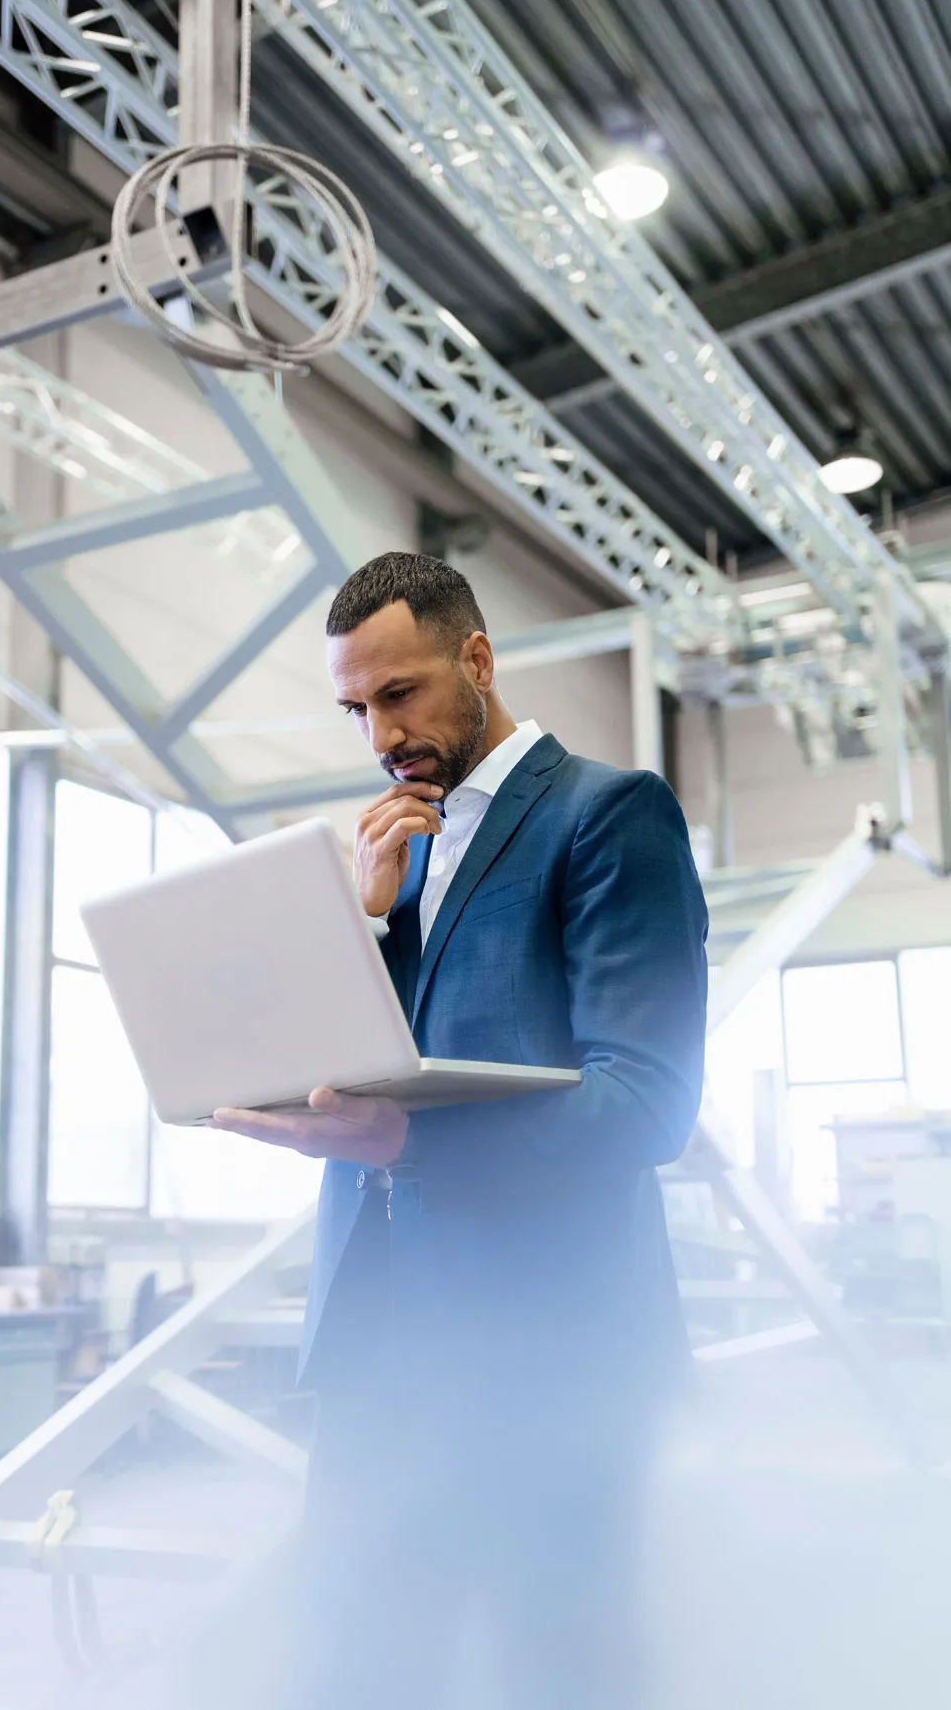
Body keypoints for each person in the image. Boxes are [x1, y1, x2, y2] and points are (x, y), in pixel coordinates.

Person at [210, 552, 709, 1709]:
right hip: (380, 1345)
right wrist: (367, 916)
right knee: (363, 1660)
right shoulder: (407, 844)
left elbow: (645, 1099)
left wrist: (410, 1145)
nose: (379, 734)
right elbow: (376, 1064)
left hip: (545, 1352)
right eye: (356, 709)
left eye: (400, 694)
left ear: (476, 660)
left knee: (553, 1665)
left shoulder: (605, 813)